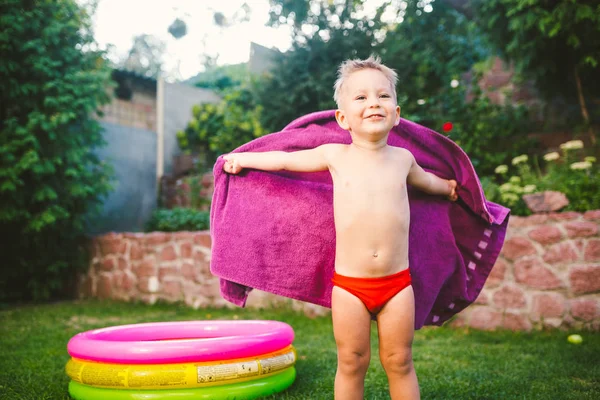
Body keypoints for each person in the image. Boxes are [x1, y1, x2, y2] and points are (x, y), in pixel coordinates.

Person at [222, 56, 458, 400]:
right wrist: (243, 159)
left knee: (400, 361)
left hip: (397, 285)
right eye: (361, 97)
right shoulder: (335, 155)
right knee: (351, 361)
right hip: (350, 287)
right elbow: (286, 159)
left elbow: (428, 184)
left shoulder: (404, 159)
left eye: (383, 96)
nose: (374, 103)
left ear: (397, 113)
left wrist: (449, 187)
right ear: (343, 118)